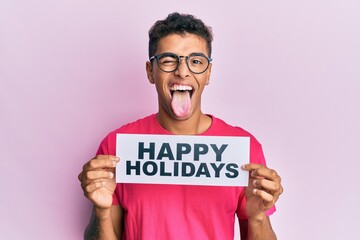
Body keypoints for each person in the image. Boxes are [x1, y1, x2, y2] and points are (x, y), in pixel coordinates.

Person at [78, 12, 283, 240]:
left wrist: (257, 218)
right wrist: (101, 211)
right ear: (150, 72)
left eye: (196, 61)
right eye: (168, 60)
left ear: (208, 73)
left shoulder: (243, 150)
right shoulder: (116, 146)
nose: (182, 71)